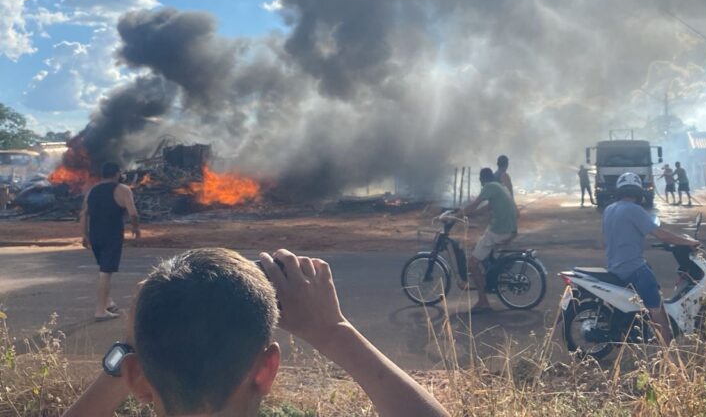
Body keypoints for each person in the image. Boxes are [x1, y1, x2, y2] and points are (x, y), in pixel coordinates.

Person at [61, 248, 449, 417]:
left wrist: (134, 345)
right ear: (267, 369)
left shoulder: (132, 372)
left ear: (135, 378)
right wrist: (334, 331)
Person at [603, 172, 699, 345]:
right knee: (657, 307)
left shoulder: (609, 209)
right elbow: (661, 235)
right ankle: (667, 351)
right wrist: (688, 242)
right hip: (633, 268)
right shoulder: (634, 210)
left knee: (648, 274)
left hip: (614, 266)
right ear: (638, 192)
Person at [80, 162, 140, 322]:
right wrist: (136, 228)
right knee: (105, 273)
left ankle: (108, 302)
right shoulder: (123, 189)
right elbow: (133, 213)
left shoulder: (92, 190)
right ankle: (100, 311)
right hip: (111, 235)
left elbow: (84, 213)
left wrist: (84, 235)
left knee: (103, 269)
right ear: (117, 173)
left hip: (95, 235)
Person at [456, 167, 518, 312]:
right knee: (477, 246)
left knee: (472, 263)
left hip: (498, 230)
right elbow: (488, 207)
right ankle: (484, 278)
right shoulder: (499, 186)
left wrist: (458, 215)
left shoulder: (489, 187)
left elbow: (474, 204)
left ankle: (483, 301)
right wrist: (472, 214)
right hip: (508, 229)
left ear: (481, 179)